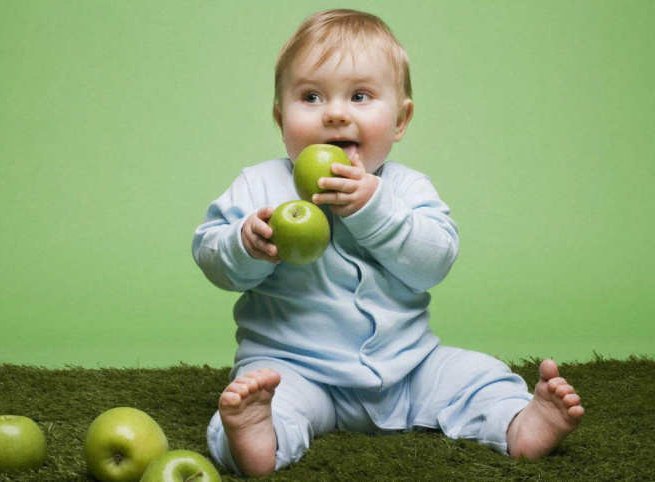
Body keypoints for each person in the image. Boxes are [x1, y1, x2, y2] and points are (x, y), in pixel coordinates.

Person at [192, 8, 583, 477]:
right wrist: (245, 244)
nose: (335, 112)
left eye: (360, 95)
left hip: (409, 368)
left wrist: (372, 208)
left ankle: (520, 421)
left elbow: (434, 261)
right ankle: (256, 438)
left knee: (478, 375)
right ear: (281, 117)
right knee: (266, 400)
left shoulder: (407, 189)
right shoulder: (259, 186)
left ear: (400, 119)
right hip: (296, 369)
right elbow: (211, 256)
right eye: (311, 97)